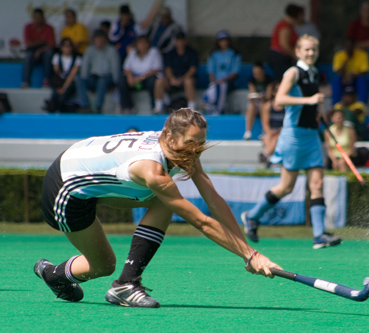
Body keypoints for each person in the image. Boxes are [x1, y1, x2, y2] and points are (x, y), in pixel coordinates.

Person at [34, 108, 282, 308]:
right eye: (191, 143)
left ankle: (125, 283)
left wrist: (249, 253)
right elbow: (201, 221)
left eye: (201, 143)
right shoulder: (153, 171)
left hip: (81, 169)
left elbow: (213, 198)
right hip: (64, 190)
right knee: (103, 265)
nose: (195, 151)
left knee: (162, 201)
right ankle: (55, 275)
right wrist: (250, 255)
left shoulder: (175, 144)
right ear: (170, 137)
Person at [241, 35, 341, 248]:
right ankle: (252, 216)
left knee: (317, 184)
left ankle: (319, 235)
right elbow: (279, 100)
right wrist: (309, 100)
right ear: (298, 52)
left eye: (313, 50)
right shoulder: (293, 72)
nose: (310, 53)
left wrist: (318, 110)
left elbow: (312, 104)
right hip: (294, 135)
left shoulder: (314, 75)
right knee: (286, 187)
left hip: (311, 135)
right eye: (306, 50)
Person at [76, 29, 121, 113]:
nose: (99, 40)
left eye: (101, 38)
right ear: (94, 40)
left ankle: (98, 107)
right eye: (97, 38)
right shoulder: (89, 50)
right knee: (79, 78)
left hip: (107, 78)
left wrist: (116, 83)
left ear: (105, 39)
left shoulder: (111, 50)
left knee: (102, 81)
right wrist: (86, 80)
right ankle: (85, 106)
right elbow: (85, 67)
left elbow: (115, 68)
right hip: (93, 78)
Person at [118, 35, 164, 114]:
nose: (142, 45)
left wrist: (141, 77)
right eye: (140, 43)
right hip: (134, 78)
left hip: (147, 77)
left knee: (153, 81)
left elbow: (156, 69)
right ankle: (128, 107)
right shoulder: (132, 53)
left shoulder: (154, 52)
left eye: (144, 43)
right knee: (122, 81)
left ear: (148, 44)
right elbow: (126, 68)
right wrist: (130, 77)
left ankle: (154, 107)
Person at [202, 30, 241, 115]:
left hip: (229, 82)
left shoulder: (234, 54)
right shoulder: (213, 54)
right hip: (216, 83)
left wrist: (223, 80)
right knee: (212, 89)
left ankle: (218, 110)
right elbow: (211, 72)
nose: (224, 43)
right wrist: (214, 81)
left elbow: (235, 73)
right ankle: (210, 107)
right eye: (221, 40)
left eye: (225, 40)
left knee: (222, 85)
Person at [347, 2, 369, 85]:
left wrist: (361, 44)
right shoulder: (354, 23)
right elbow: (349, 42)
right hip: (356, 51)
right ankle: (347, 79)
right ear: (360, 11)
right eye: (365, 10)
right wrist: (368, 43)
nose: (367, 13)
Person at [161, 31, 198, 110]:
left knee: (189, 81)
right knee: (160, 81)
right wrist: (172, 79)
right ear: (175, 41)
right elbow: (168, 69)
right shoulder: (170, 53)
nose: (180, 42)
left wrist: (182, 79)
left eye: (182, 40)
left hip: (185, 79)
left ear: (185, 41)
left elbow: (192, 69)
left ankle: (192, 107)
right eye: (178, 40)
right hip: (173, 80)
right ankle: (161, 106)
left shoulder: (191, 53)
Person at [42, 38, 81, 113]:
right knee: (55, 91)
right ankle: (52, 106)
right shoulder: (57, 57)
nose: (67, 48)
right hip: (60, 81)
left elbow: (72, 75)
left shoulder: (77, 58)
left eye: (69, 46)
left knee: (62, 96)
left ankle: (54, 107)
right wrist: (59, 86)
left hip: (71, 82)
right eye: (65, 46)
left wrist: (64, 87)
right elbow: (57, 73)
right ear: (61, 47)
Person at [267, 3, 303, 80]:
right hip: (279, 57)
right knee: (283, 80)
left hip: (281, 58)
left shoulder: (288, 26)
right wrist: (296, 56)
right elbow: (284, 45)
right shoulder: (285, 26)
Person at [22, 8, 56, 88]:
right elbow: (28, 44)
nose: (37, 20)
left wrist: (40, 50)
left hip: (44, 52)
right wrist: (41, 42)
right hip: (32, 52)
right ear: (33, 18)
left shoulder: (49, 28)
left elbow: (52, 44)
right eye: (35, 18)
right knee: (28, 56)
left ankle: (47, 81)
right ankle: (26, 82)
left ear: (43, 18)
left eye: (39, 18)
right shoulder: (28, 27)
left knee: (49, 53)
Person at [332, 38, 369, 105]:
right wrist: (347, 59)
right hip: (344, 80)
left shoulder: (362, 54)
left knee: (362, 80)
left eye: (351, 46)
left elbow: (364, 72)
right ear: (344, 47)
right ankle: (336, 106)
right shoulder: (338, 55)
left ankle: (362, 105)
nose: (349, 48)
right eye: (347, 46)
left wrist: (352, 77)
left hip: (356, 79)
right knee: (336, 80)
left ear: (354, 46)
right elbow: (338, 72)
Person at [243, 62, 274, 140]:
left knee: (264, 104)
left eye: (258, 73)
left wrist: (261, 97)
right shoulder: (251, 80)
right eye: (255, 73)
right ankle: (248, 132)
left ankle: (264, 131)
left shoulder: (269, 80)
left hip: (266, 103)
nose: (256, 75)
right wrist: (253, 97)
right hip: (256, 103)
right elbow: (252, 94)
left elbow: (268, 96)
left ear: (263, 72)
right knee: (251, 106)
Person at [259, 81, 284, 166]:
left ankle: (266, 155)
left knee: (277, 138)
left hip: (281, 132)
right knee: (267, 138)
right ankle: (269, 158)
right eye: (276, 90)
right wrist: (270, 132)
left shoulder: (287, 106)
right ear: (273, 92)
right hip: (271, 132)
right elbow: (265, 123)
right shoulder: (268, 106)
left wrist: (277, 131)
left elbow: (287, 124)